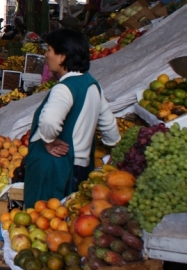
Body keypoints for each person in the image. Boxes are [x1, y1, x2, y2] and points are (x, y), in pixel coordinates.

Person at [23, 28, 120, 206]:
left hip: (55, 169)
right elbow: (109, 126)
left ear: (62, 57)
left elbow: (50, 121)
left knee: (44, 220)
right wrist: (114, 149)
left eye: (49, 50)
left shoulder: (64, 88)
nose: (46, 55)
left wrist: (49, 141)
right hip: (80, 169)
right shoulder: (93, 85)